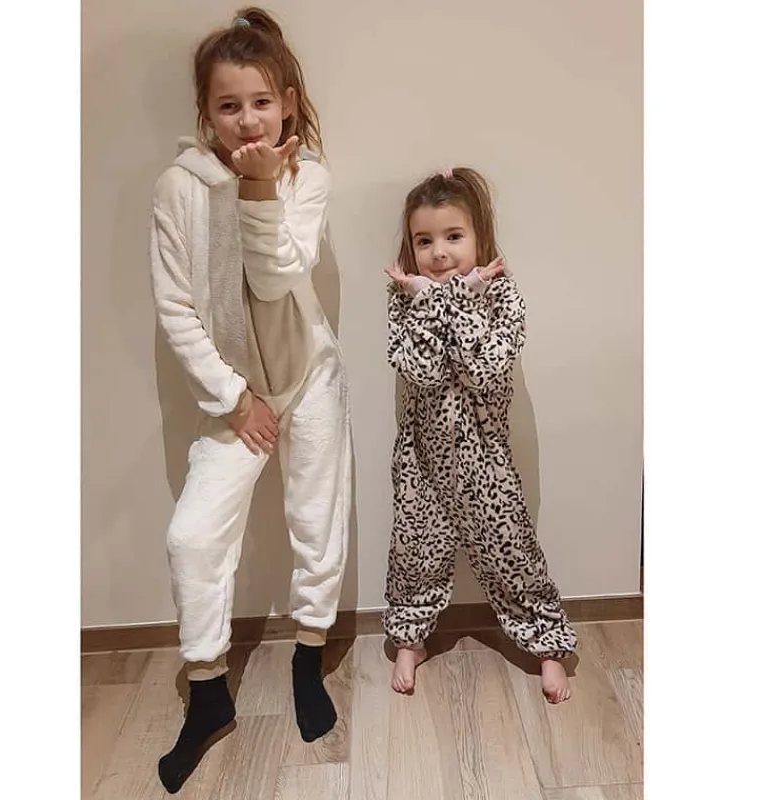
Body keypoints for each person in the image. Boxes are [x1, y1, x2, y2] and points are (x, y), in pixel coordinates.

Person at [149, 7, 351, 793]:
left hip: (309, 372)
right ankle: (207, 693)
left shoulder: (308, 178)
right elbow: (176, 309)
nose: (247, 119)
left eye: (262, 102)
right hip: (236, 390)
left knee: (316, 518)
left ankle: (308, 658)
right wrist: (235, 401)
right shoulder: (179, 188)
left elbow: (276, 279)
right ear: (206, 111)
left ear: (288, 104)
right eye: (229, 105)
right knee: (192, 537)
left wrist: (263, 188)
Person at [382, 167, 577, 703]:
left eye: (453, 236)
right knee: (415, 552)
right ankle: (410, 640)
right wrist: (426, 300)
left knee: (513, 553)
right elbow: (420, 370)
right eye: (424, 241)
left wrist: (462, 301)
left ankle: (547, 647)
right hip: (422, 458)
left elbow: (483, 370)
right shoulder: (405, 297)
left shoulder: (503, 296)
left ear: (479, 237)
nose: (439, 253)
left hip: (485, 458)